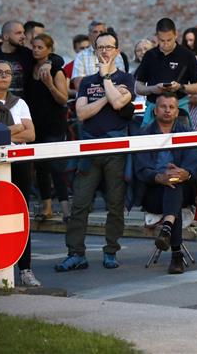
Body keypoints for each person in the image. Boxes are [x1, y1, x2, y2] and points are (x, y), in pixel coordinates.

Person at [55, 31, 135, 272]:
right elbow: (81, 114)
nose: (105, 51)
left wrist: (106, 78)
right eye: (100, 47)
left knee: (115, 203)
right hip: (89, 148)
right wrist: (105, 100)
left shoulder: (126, 79)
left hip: (115, 149)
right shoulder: (87, 82)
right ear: (94, 51)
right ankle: (76, 253)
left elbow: (121, 103)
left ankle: (111, 251)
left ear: (117, 51)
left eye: (109, 47)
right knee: (80, 203)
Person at [133, 93, 197, 274]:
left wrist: (184, 173)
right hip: (153, 191)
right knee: (172, 190)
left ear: (178, 111)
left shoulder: (187, 133)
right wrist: (159, 177)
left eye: (171, 107)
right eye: (163, 106)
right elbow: (141, 170)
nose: (167, 110)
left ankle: (167, 229)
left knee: (175, 185)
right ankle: (176, 254)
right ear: (155, 110)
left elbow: (193, 166)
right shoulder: (144, 133)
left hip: (182, 187)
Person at [0, 60, 41, 287]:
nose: (4, 76)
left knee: (20, 213)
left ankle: (25, 268)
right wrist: (16, 128)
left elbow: (30, 135)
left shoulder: (19, 104)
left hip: (19, 164)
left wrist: (1, 132)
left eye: (8, 73)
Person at [27, 34, 70, 222]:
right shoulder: (30, 66)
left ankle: (66, 209)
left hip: (54, 123)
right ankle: (47, 207)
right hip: (35, 123)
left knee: (56, 166)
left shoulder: (56, 70)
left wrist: (50, 85)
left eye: (40, 47)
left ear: (49, 50)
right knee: (41, 166)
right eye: (34, 47)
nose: (36, 50)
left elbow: (63, 99)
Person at [134, 17, 197, 126]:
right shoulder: (149, 55)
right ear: (156, 37)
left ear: (176, 35)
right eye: (162, 40)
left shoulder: (187, 55)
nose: (166, 44)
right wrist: (153, 89)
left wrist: (180, 87)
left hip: (179, 109)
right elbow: (138, 88)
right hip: (154, 109)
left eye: (169, 40)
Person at [71, 20, 126, 89]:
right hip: (88, 97)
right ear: (89, 35)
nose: (98, 34)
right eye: (95, 32)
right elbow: (79, 85)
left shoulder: (116, 54)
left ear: (106, 34)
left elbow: (122, 79)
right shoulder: (81, 56)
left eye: (101, 32)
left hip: (114, 96)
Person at [0, 20, 35, 98]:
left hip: (21, 105)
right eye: (18, 33)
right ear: (6, 36)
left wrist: (48, 62)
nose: (23, 36)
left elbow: (54, 58)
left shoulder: (27, 54)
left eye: (23, 33)